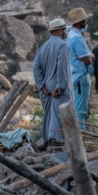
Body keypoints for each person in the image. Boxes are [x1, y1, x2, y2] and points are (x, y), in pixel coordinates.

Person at [32, 18, 72, 148]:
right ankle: (57, 145)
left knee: (50, 115)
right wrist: (60, 86)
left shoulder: (43, 47)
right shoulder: (63, 45)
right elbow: (61, 67)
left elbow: (36, 67)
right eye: (64, 29)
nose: (65, 32)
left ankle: (48, 142)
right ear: (60, 31)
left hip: (46, 88)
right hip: (58, 87)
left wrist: (41, 85)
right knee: (61, 115)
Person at [67, 7, 94, 130]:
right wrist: (93, 58)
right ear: (80, 22)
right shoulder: (76, 38)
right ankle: (81, 136)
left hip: (74, 75)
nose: (86, 22)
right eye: (84, 20)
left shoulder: (70, 34)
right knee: (81, 111)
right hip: (81, 75)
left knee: (77, 108)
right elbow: (87, 59)